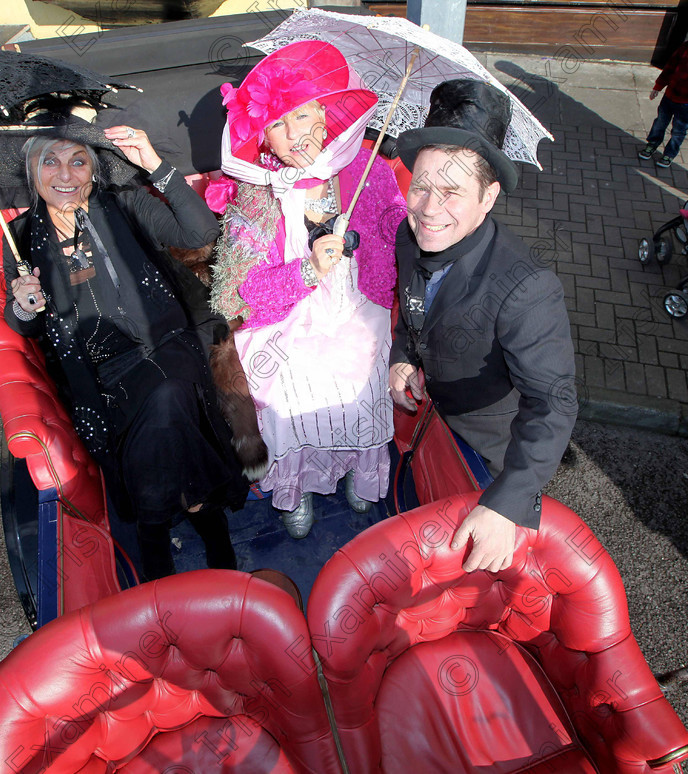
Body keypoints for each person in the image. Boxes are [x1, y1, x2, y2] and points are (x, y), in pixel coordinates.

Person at [0, 100, 247, 581]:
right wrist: (25, 303)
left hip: (166, 347)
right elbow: (23, 325)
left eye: (77, 160)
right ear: (32, 170)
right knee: (164, 417)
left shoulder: (126, 202)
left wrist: (155, 165)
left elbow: (203, 229)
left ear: (94, 168)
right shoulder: (20, 238)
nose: (64, 174)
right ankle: (204, 516)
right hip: (100, 377)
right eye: (50, 160)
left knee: (170, 395)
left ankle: (154, 536)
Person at [206, 41, 406, 538]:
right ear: (262, 138)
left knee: (364, 370)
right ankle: (294, 489)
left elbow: (401, 232)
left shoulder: (369, 168)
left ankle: (363, 471)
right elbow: (240, 293)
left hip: (359, 308)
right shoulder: (255, 195)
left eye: (303, 113)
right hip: (284, 318)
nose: (296, 134)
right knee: (288, 389)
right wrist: (307, 271)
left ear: (324, 111)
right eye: (278, 123)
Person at [390, 79, 577, 573]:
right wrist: (402, 358)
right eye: (422, 185)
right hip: (430, 426)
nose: (428, 210)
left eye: (451, 192)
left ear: (489, 197)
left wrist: (505, 503)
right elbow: (411, 318)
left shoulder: (528, 289)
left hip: (487, 457)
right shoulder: (408, 240)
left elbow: (554, 405)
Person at [639, 39, 688, 168]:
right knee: (660, 122)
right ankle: (653, 143)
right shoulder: (684, 48)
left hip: (686, 104)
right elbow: (670, 68)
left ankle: (669, 154)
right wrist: (658, 86)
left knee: (678, 131)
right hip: (669, 96)